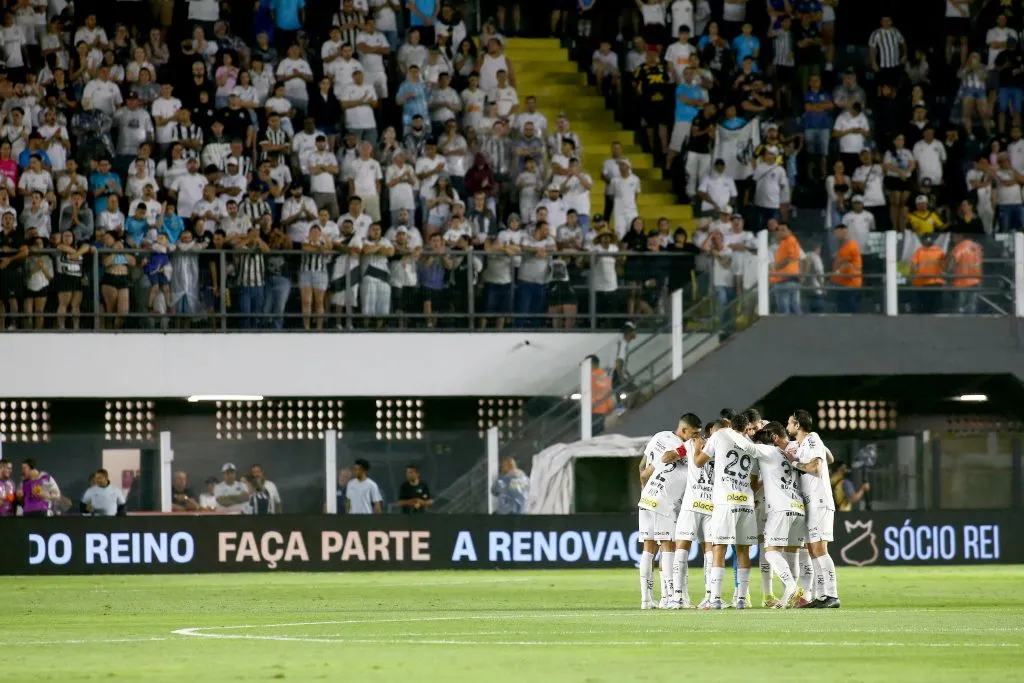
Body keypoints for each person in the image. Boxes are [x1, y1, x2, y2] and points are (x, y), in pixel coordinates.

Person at [692, 412, 763, 609]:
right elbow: (755, 483)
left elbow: (699, 462)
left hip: (725, 502)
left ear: (732, 426)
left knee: (719, 549)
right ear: (746, 427)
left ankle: (715, 598)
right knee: (743, 551)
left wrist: (698, 448)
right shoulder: (752, 447)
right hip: (746, 503)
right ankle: (741, 598)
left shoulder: (720, 436)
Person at [750, 422, 808, 609]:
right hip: (797, 507)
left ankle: (791, 587)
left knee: (771, 551)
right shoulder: (789, 453)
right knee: (792, 554)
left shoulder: (767, 451)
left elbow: (746, 446)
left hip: (780, 508)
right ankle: (787, 598)